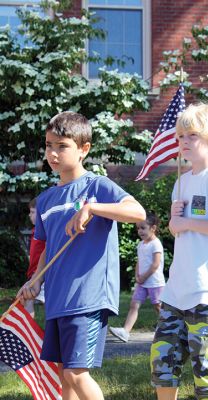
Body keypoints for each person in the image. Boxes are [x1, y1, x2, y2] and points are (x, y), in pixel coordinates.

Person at [17, 111, 146, 400]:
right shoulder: (47, 199)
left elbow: (137, 212)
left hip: (88, 297)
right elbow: (47, 249)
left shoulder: (97, 186)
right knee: (65, 374)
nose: (53, 153)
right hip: (58, 299)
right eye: (49, 145)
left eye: (62, 146)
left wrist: (92, 208)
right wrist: (36, 282)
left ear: (84, 149)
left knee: (76, 373)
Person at [150, 102, 208, 400]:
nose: (183, 142)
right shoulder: (182, 180)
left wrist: (186, 221)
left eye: (192, 135)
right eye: (180, 136)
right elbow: (178, 230)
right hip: (177, 291)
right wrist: (176, 222)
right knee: (162, 364)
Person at [109, 212, 165, 342]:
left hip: (155, 283)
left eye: (143, 228)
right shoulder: (141, 244)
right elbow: (139, 262)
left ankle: (169, 328)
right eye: (138, 228)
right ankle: (125, 331)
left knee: (158, 306)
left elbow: (155, 264)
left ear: (153, 228)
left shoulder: (156, 244)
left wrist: (144, 277)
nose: (140, 231)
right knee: (134, 305)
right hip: (142, 282)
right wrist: (137, 276)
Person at [24, 198, 46, 318]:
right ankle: (28, 328)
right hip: (34, 273)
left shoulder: (46, 232)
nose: (29, 215)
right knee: (28, 299)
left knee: (31, 299)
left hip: (44, 274)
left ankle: (51, 332)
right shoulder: (35, 231)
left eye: (33, 212)